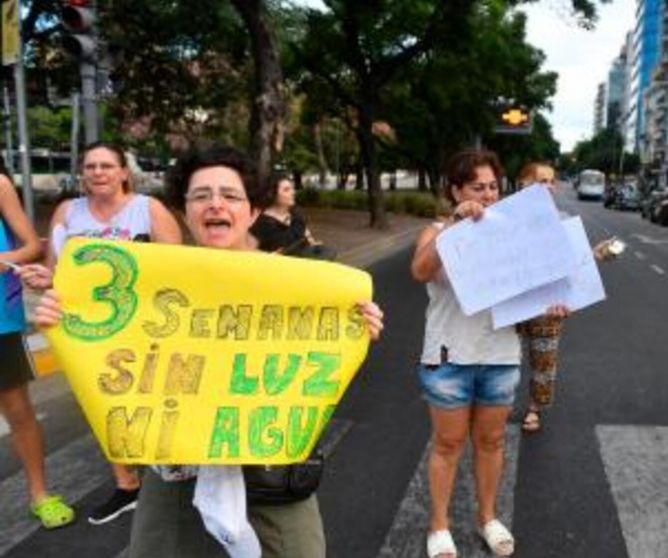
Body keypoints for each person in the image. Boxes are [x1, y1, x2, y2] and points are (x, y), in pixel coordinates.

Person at [33, 145, 385, 557]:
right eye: (201, 195)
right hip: (176, 470)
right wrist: (65, 318)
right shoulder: (152, 282)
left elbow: (317, 365)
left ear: (252, 211)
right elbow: (113, 355)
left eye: (230, 195)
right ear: (184, 212)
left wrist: (356, 330)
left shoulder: (299, 280)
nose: (215, 204)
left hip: (273, 471)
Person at [410, 150, 567, 558]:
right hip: (448, 356)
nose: (488, 195)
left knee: (492, 440)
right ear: (456, 191)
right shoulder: (438, 230)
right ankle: (439, 525)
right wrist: (457, 225)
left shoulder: (515, 236)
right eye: (477, 187)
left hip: (499, 355)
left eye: (493, 186)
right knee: (447, 444)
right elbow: (420, 270)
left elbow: (534, 290)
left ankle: (487, 518)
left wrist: (553, 302)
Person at [18, 141, 183, 525]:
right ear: (82, 173)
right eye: (90, 166)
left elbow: (178, 269)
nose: (98, 172)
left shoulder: (149, 209)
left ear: (124, 172)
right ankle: (127, 485)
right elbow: (54, 270)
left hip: (146, 326)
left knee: (154, 398)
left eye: (106, 165)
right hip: (86, 330)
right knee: (102, 404)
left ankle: (171, 476)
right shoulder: (67, 212)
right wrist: (44, 279)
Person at [515, 162, 620, 434]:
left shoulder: (563, 220)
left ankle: (534, 408)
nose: (548, 186)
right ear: (523, 184)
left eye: (551, 181)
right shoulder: (504, 219)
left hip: (549, 306)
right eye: (541, 181)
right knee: (504, 362)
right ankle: (495, 406)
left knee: (544, 361)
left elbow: (574, 261)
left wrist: (596, 254)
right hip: (511, 306)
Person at [0, 159, 75, 529]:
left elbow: (31, 246)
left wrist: (3, 259)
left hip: (0, 319)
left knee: (17, 410)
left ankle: (39, 494)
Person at [249, 173, 333, 259]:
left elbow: (308, 238)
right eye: (286, 190)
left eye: (292, 188)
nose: (293, 192)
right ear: (272, 193)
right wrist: (268, 257)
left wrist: (314, 245)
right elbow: (249, 254)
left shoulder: (297, 216)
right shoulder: (261, 223)